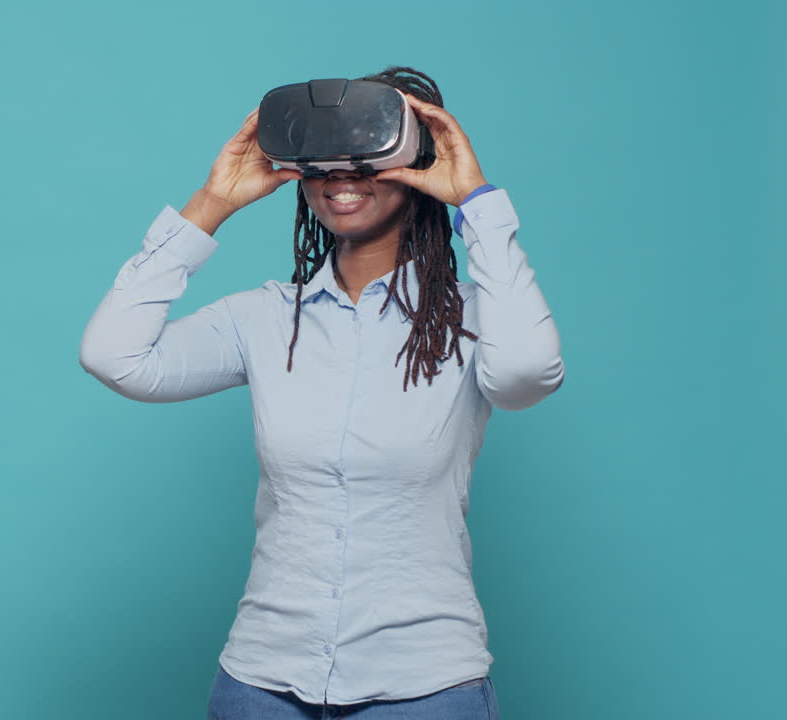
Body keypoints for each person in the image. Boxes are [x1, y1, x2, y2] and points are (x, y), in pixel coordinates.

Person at [79, 65, 563, 720]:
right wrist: (211, 204)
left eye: (367, 154)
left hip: (423, 688)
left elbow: (526, 375)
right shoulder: (264, 318)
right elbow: (114, 356)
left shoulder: (475, 318)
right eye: (324, 160)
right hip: (261, 685)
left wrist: (476, 203)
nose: (342, 176)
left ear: (419, 162)